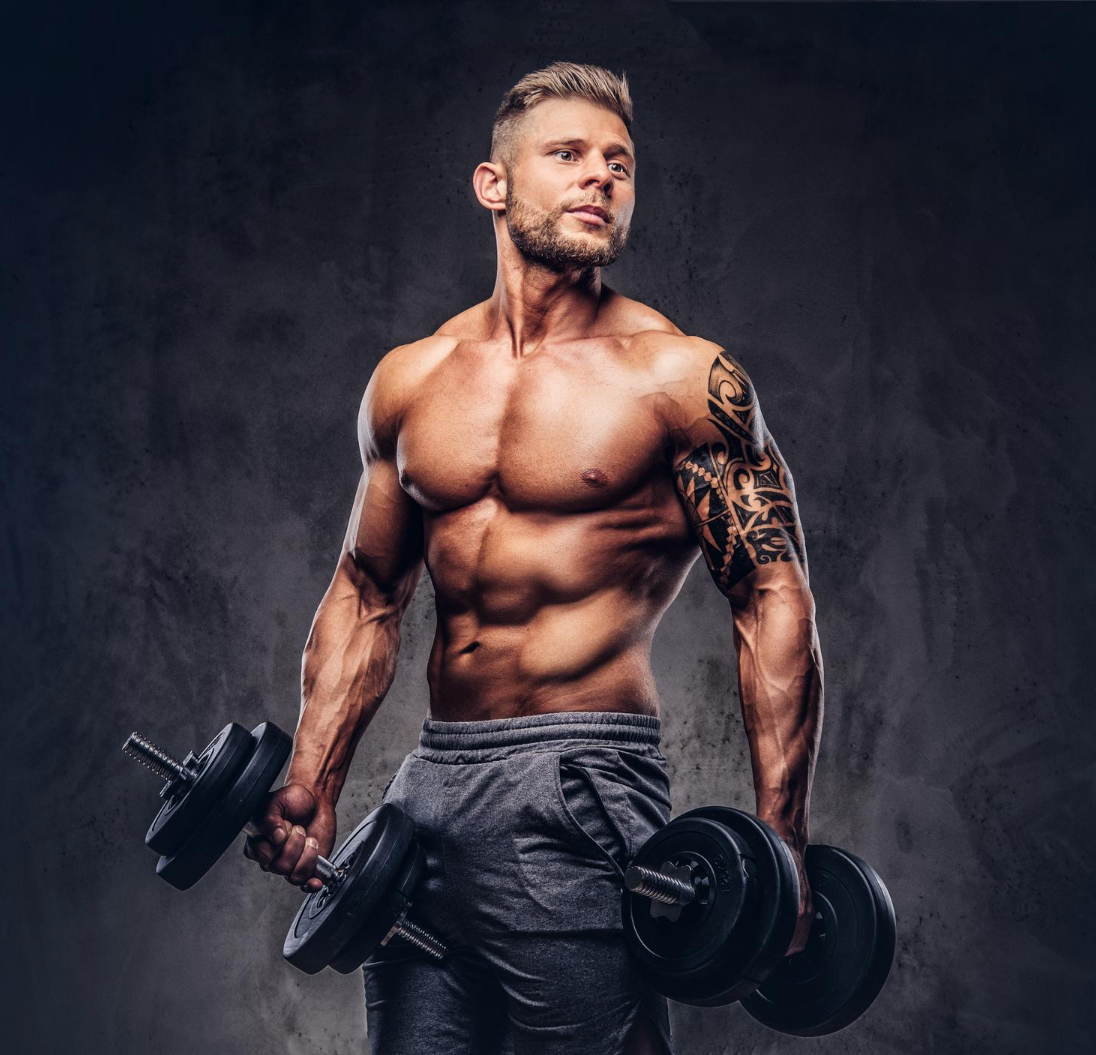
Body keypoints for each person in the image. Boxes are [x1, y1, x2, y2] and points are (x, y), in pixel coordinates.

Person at [244, 61, 824, 1055]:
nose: (602, 178)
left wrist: (780, 836)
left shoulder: (680, 377)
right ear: (494, 183)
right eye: (570, 155)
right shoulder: (412, 381)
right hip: (425, 799)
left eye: (621, 165)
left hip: (580, 783)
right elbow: (368, 591)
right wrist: (313, 776)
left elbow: (771, 592)